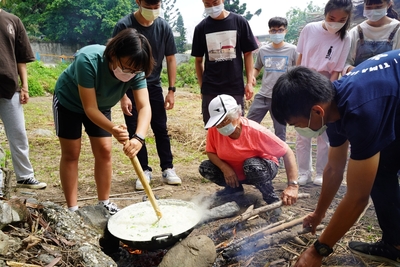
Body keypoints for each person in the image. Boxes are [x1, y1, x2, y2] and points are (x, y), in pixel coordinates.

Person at [270, 50, 400, 267]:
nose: (298, 130)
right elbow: (333, 168)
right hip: (391, 98)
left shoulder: (361, 113)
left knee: (378, 171)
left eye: (297, 125)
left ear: (316, 111)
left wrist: (318, 250)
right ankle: (395, 245)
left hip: (387, 97)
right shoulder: (334, 105)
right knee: (381, 170)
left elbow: (358, 197)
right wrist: (318, 213)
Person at [53, 28, 154, 214]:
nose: (130, 73)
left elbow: (145, 107)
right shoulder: (88, 60)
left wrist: (139, 137)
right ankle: (72, 209)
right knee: (71, 153)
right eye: (126, 68)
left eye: (135, 71)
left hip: (101, 105)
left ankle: (104, 203)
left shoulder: (136, 68)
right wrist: (113, 128)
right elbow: (89, 108)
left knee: (105, 151)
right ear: (113, 54)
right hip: (69, 102)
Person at [112, 0, 181, 190]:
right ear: (138, 2)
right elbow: (115, 59)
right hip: (129, 85)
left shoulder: (163, 26)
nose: (152, 10)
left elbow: (171, 58)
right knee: (135, 130)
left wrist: (171, 90)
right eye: (148, 6)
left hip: (153, 85)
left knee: (161, 128)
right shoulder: (124, 25)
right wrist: (122, 95)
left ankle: (168, 168)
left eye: (156, 5)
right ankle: (144, 171)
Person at [199, 94, 299, 208]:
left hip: (261, 168)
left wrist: (293, 186)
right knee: (206, 167)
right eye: (218, 123)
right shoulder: (214, 130)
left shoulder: (255, 131)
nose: (221, 126)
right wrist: (224, 168)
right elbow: (210, 152)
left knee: (251, 165)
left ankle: (271, 199)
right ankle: (234, 190)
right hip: (235, 171)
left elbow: (287, 152)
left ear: (237, 115)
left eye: (225, 121)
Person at [295, 0, 352, 186]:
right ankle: (303, 172)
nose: (335, 22)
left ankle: (320, 172)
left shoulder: (346, 37)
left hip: (326, 86)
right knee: (302, 131)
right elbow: (300, 58)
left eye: (342, 19)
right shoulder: (309, 29)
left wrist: (328, 95)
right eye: (331, 18)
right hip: (304, 83)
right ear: (325, 14)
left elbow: (336, 69)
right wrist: (297, 84)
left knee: (323, 134)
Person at [0, 9, 47, 191]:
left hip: (10, 87)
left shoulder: (13, 20)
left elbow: (21, 58)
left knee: (18, 133)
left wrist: (25, 87)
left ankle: (25, 177)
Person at [191, 0, 259, 125]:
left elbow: (248, 53)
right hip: (211, 88)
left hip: (234, 87)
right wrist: (202, 87)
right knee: (213, 127)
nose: (212, 7)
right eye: (207, 4)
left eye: (215, 2)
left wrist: (249, 82)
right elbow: (198, 60)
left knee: (235, 126)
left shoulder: (239, 22)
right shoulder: (201, 28)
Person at [247, 17, 297, 146]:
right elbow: (257, 67)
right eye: (273, 30)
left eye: (280, 30)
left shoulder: (293, 50)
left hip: (281, 98)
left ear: (285, 31)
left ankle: (278, 158)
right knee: (248, 125)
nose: (277, 33)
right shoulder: (263, 50)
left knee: (280, 132)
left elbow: (298, 73)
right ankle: (247, 151)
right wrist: (252, 77)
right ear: (269, 31)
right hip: (263, 95)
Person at [343, 0, 400, 75]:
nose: (373, 11)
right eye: (369, 7)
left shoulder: (397, 30)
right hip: (360, 82)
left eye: (378, 7)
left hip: (389, 84)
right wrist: (361, 72)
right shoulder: (355, 32)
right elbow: (345, 64)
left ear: (388, 4)